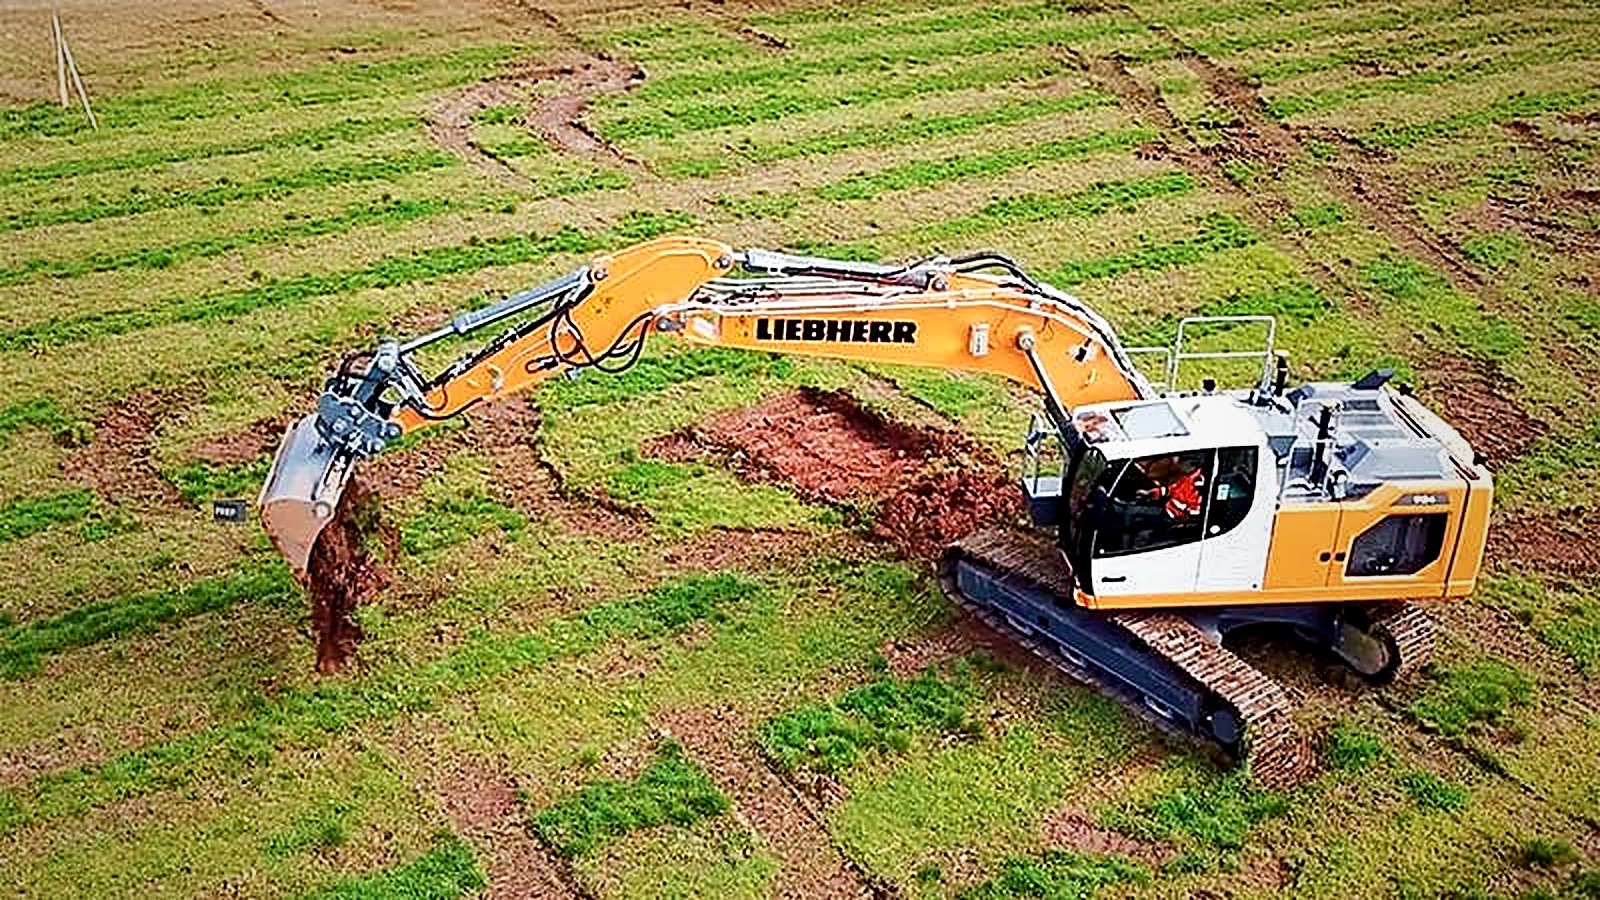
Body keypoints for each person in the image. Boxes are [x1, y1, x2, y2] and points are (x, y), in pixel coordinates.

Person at [1136, 456, 1205, 521]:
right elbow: (1171, 490)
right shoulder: (1171, 504)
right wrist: (1152, 493)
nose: (1145, 472)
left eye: (1147, 467)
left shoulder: (1198, 478)